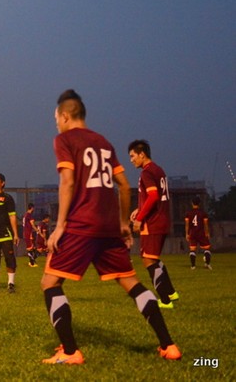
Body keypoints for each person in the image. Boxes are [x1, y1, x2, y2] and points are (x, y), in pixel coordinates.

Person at [42, 89, 180, 364]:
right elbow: (124, 185)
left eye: (56, 117)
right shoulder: (103, 142)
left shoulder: (65, 139)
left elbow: (68, 181)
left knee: (50, 282)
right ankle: (169, 345)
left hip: (82, 223)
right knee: (131, 282)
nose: (56, 122)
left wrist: (59, 226)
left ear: (66, 115)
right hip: (108, 226)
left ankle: (70, 352)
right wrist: (121, 223)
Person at [128, 140, 179, 309]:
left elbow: (153, 196)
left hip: (153, 222)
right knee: (153, 258)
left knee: (148, 261)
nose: (131, 160)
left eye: (132, 156)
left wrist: (140, 218)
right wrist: (139, 208)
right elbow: (152, 196)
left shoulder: (147, 173)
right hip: (162, 219)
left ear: (142, 154)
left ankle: (165, 301)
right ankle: (171, 292)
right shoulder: (158, 169)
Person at [185, 196, 212, 270]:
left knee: (192, 249)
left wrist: (187, 234)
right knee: (207, 248)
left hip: (192, 233)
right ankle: (207, 264)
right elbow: (205, 224)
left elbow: (187, 225)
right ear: (199, 203)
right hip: (201, 233)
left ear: (192, 203)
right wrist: (207, 232)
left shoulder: (188, 213)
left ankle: (193, 266)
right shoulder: (203, 213)